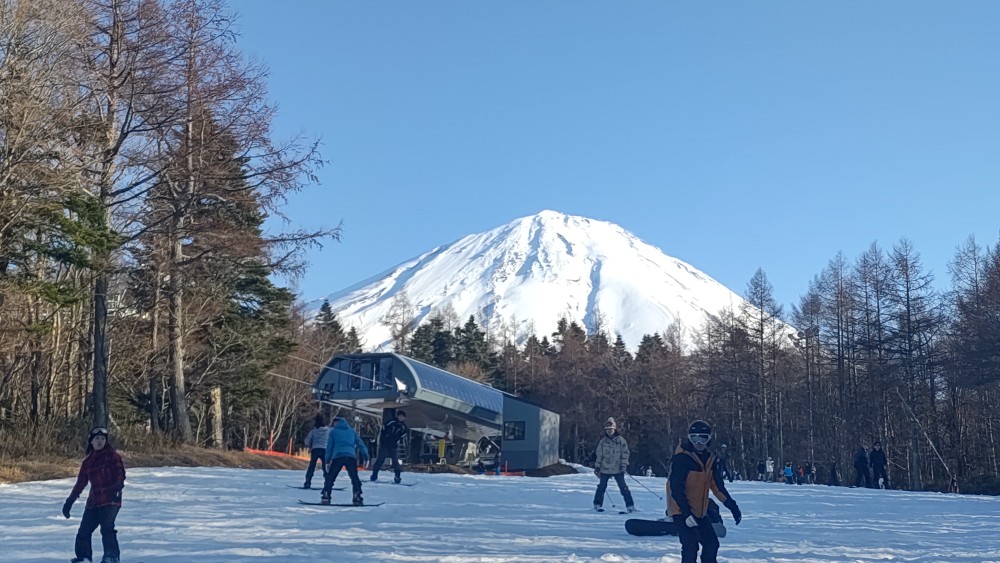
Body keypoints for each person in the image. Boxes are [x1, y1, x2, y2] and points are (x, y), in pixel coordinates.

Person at [667, 420, 742, 563]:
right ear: (689, 438)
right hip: (681, 510)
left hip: (699, 512)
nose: (698, 443)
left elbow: (717, 487)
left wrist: (733, 507)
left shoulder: (710, 459)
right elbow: (675, 488)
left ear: (709, 439)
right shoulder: (682, 458)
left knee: (711, 544)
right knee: (690, 546)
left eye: (703, 438)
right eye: (694, 438)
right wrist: (686, 513)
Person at [63, 426, 126, 563]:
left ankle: (111, 556)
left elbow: (120, 474)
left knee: (107, 527)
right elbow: (80, 483)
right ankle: (84, 557)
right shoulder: (88, 462)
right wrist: (69, 501)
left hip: (111, 498)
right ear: (91, 441)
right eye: (97, 438)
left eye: (102, 439)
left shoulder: (112, 456)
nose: (100, 441)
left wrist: (117, 488)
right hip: (94, 501)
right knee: (84, 531)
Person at [321, 416, 370, 506]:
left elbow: (329, 447)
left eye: (334, 422)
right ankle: (357, 495)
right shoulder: (352, 431)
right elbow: (361, 444)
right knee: (354, 477)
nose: (333, 424)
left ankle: (326, 495)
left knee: (331, 477)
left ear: (337, 422)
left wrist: (327, 460)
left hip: (338, 456)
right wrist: (366, 456)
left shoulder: (333, 432)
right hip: (350, 456)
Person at [592, 417, 635, 513]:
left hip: (618, 469)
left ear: (614, 429)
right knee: (601, 487)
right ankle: (597, 504)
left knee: (623, 488)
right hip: (604, 468)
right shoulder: (603, 442)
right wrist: (597, 467)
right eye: (607, 429)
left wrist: (624, 465)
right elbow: (599, 455)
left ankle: (630, 505)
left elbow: (625, 454)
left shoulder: (621, 441)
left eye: (610, 429)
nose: (609, 431)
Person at [371, 410, 409, 483]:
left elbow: (403, 436)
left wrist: (398, 441)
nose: (401, 418)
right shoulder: (391, 422)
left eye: (402, 417)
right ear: (397, 416)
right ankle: (374, 475)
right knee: (380, 460)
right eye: (400, 416)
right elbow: (383, 430)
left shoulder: (403, 427)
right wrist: (383, 440)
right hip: (384, 445)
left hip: (394, 447)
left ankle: (397, 477)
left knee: (395, 462)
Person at [302, 414, 330, 489]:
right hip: (325, 449)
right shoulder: (328, 431)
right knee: (325, 467)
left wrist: (310, 444)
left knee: (312, 466)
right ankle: (327, 483)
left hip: (315, 449)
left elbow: (307, 441)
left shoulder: (313, 431)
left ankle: (307, 482)